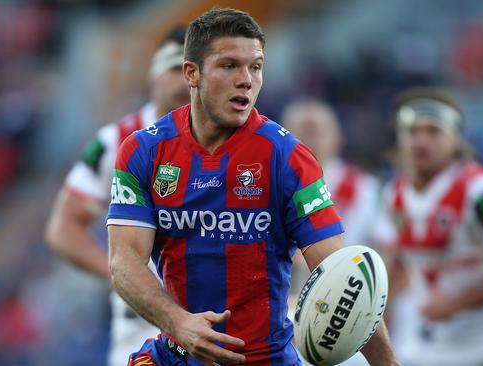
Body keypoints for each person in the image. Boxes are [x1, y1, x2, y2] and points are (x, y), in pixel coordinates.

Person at [107, 8, 399, 366]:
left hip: (263, 359)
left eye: (255, 67)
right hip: (178, 350)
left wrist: (387, 363)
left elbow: (344, 279)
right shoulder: (144, 152)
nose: (246, 80)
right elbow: (124, 260)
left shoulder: (287, 158)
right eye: (229, 66)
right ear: (192, 73)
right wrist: (180, 324)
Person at [45, 27, 190, 366]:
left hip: (215, 314)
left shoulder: (233, 140)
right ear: (153, 75)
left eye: (194, 69)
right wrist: (119, 275)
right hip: (144, 326)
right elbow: (63, 227)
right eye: (175, 68)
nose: (185, 81)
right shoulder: (118, 139)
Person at [374, 86, 483, 366]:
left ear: (455, 139)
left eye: (433, 132)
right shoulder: (393, 194)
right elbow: (397, 264)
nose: (420, 141)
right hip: (428, 344)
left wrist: (456, 303)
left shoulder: (481, 191)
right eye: (412, 131)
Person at [281, 99, 380, 366]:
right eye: (302, 130)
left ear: (337, 139)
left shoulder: (367, 189)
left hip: (350, 313)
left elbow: (388, 253)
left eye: (318, 131)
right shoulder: (269, 187)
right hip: (285, 316)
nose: (310, 139)